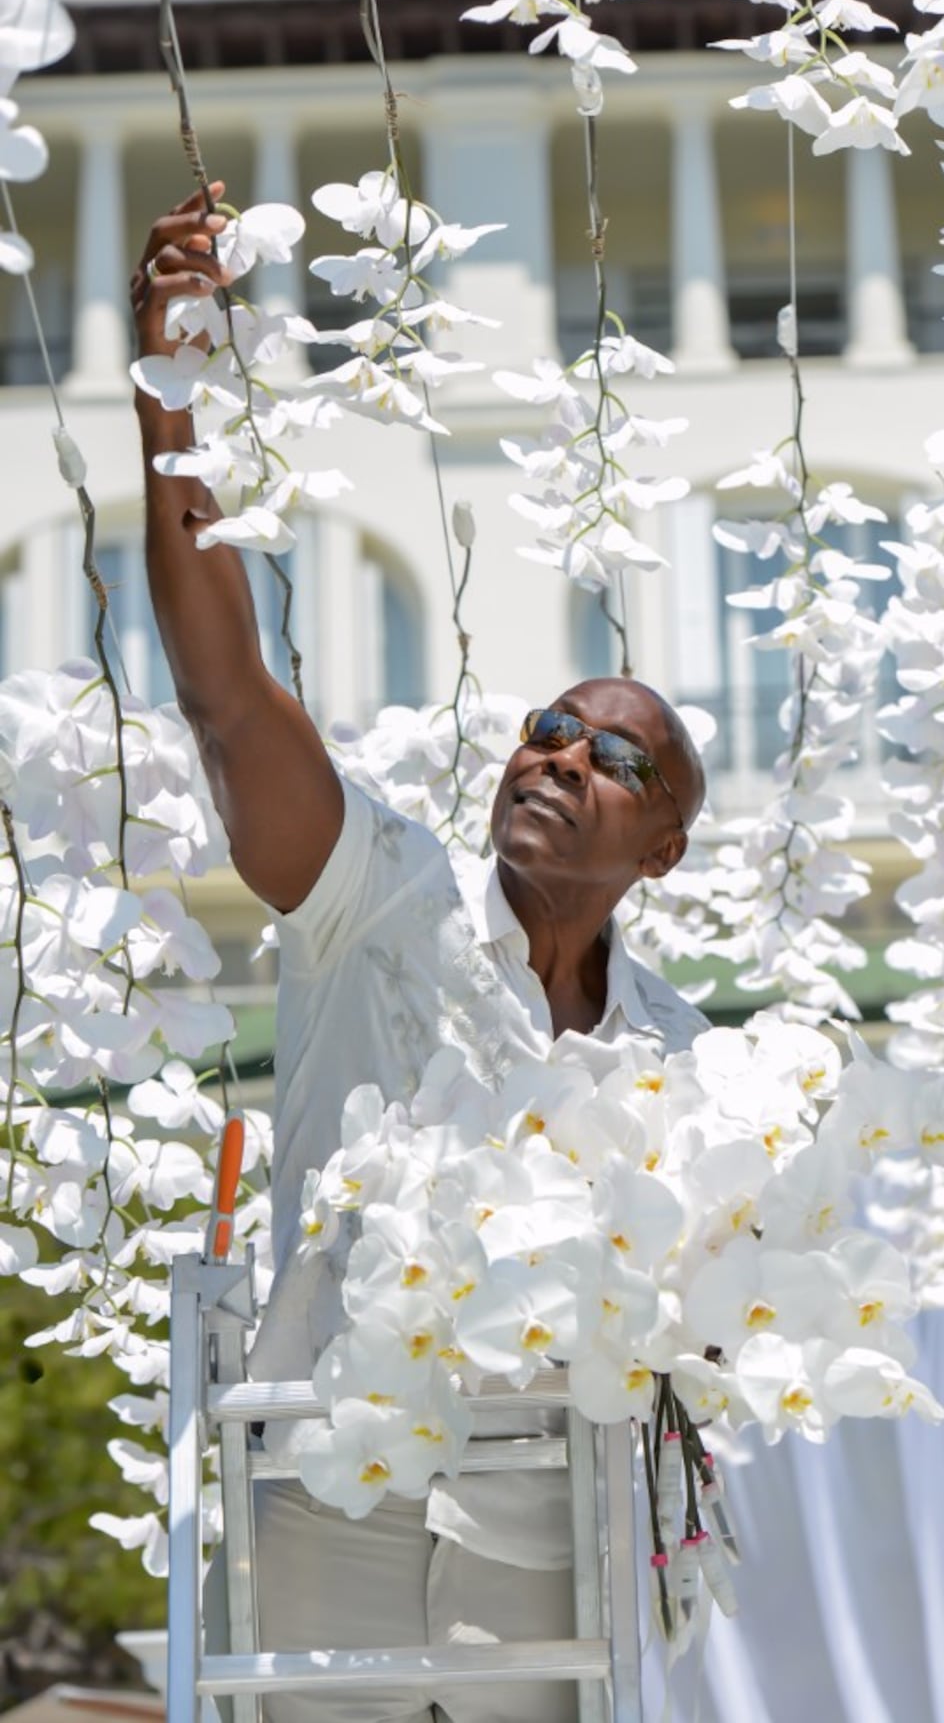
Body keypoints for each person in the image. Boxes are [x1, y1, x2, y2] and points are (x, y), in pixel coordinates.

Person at [131, 185, 710, 1723]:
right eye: (545, 728)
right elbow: (229, 699)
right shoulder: (378, 891)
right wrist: (169, 399)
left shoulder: (689, 1061)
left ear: (662, 853)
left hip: (551, 1515)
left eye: (612, 757)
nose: (558, 753)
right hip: (331, 1486)